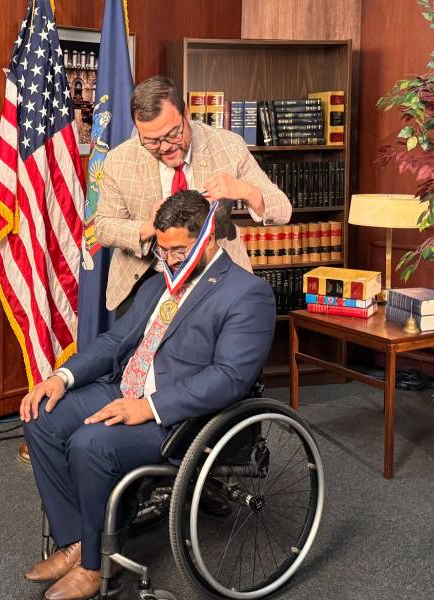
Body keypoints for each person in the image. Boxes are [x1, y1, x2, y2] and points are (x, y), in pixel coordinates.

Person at [21, 191, 276, 600]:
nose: (170, 257)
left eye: (179, 249)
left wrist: (149, 407)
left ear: (208, 239)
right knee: (41, 417)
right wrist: (63, 376)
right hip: (124, 387)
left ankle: (94, 566)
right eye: (164, 248)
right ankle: (76, 541)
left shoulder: (248, 293)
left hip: (179, 417)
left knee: (91, 443)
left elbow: (230, 378)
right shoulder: (158, 284)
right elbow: (115, 341)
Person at [95, 75, 291, 315]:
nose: (165, 147)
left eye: (173, 134)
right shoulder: (119, 159)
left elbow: (283, 209)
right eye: (152, 142)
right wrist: (148, 227)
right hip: (145, 282)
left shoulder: (228, 146)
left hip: (216, 280)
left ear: (186, 115)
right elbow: (103, 228)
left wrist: (244, 190)